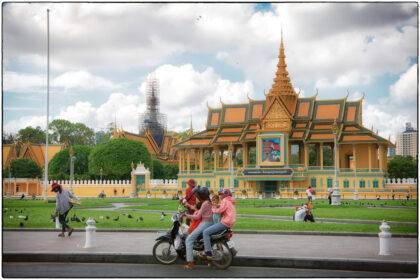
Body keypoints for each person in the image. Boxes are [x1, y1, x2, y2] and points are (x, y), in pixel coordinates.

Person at [182, 187, 213, 270]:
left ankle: (191, 263)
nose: (197, 197)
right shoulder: (208, 202)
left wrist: (187, 215)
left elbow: (197, 216)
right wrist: (188, 205)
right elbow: (198, 210)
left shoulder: (204, 204)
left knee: (189, 240)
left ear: (201, 196)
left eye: (198, 195)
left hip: (205, 223)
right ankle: (209, 260)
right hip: (209, 222)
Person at [201, 189, 236, 259]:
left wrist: (213, 208)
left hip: (225, 223)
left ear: (224, 195)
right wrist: (216, 205)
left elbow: (219, 211)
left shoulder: (225, 200)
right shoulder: (229, 201)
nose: (220, 196)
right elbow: (222, 206)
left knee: (205, 232)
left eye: (221, 195)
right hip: (229, 223)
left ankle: (208, 252)